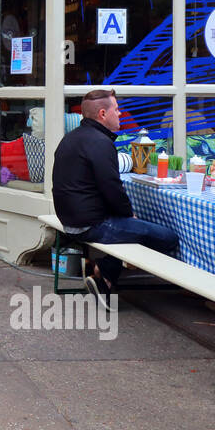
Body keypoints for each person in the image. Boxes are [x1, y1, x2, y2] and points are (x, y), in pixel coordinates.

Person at [51, 88, 180, 306]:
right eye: (117, 109)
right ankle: (104, 273)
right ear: (103, 114)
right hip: (91, 224)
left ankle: (103, 274)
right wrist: (129, 215)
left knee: (134, 231)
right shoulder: (100, 142)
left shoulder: (72, 138)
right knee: (168, 238)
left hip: (71, 221)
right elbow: (111, 187)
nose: (120, 114)